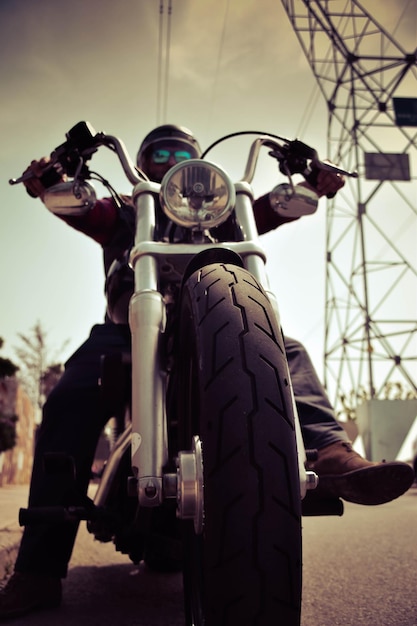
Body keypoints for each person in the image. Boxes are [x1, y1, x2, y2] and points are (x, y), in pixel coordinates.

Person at [0, 125, 413, 619]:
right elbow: (85, 207)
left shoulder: (226, 216)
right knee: (73, 391)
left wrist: (313, 181)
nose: (171, 160)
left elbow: (268, 209)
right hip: (131, 329)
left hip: (221, 325)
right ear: (144, 163)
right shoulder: (126, 213)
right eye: (160, 152)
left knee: (288, 347)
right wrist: (51, 179)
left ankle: (333, 453)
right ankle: (38, 570)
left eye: (182, 152)